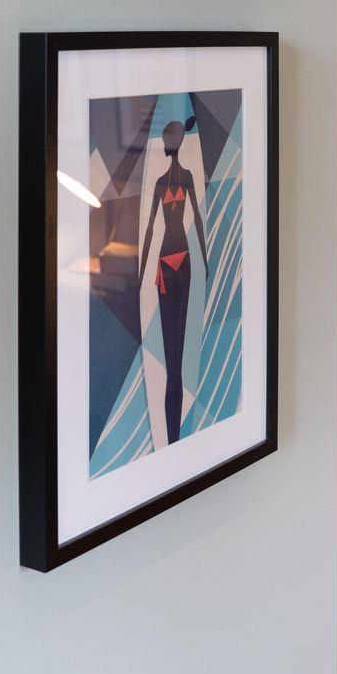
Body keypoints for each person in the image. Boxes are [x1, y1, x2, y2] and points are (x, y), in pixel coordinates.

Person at [138, 116, 209, 444]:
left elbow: (152, 229)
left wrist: (142, 274)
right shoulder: (186, 178)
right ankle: (174, 441)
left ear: (172, 143)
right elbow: (194, 222)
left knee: (172, 358)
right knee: (175, 359)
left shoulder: (163, 183)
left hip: (170, 263)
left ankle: (173, 440)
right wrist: (204, 261)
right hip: (182, 263)